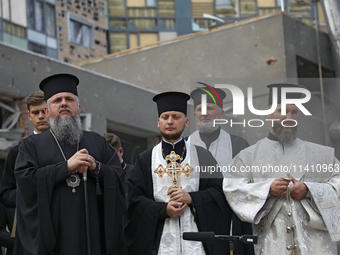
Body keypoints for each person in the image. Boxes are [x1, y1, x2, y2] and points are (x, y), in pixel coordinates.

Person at [14, 73, 126, 255]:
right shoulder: (31, 145)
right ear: (48, 110)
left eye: (69, 99)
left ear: (79, 108)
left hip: (92, 235)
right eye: (57, 100)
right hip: (53, 237)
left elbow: (119, 178)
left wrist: (96, 167)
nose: (64, 103)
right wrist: (65, 167)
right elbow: (26, 180)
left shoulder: (97, 142)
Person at [223, 83, 340, 255]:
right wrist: (267, 189)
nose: (288, 117)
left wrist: (308, 190)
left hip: (315, 245)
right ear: (268, 112)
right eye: (282, 111)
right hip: (272, 243)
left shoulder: (322, 155)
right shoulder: (248, 156)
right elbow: (232, 188)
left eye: (294, 112)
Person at [125, 91, 233, 255]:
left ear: (187, 122)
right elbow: (133, 201)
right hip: (159, 243)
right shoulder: (145, 159)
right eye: (165, 117)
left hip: (197, 245)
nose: (170, 121)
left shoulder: (203, 156)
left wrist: (192, 198)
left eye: (176, 117)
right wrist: (162, 210)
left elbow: (220, 192)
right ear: (158, 122)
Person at [189, 87, 254, 255]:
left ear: (221, 114)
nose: (204, 113)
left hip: (230, 222)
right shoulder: (183, 147)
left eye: (210, 108)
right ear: (194, 115)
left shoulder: (240, 146)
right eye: (199, 110)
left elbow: (250, 186)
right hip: (193, 221)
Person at [0, 90, 50, 209]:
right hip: (30, 220)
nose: (41, 116)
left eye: (44, 111)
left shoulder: (63, 147)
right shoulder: (17, 152)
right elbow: (6, 195)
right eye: (35, 112)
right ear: (29, 116)